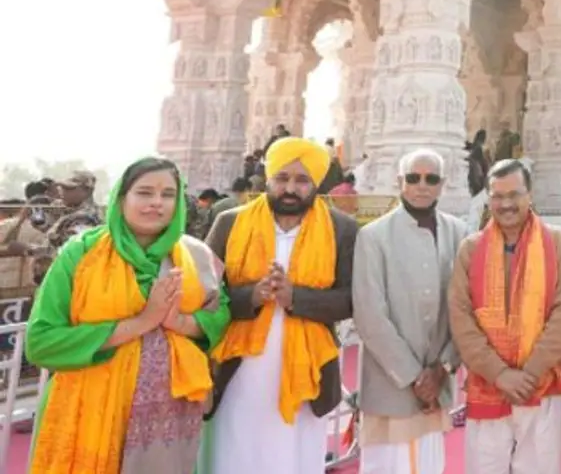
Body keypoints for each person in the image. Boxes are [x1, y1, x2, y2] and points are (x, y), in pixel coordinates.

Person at [26, 156, 230, 473]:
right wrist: (142, 323)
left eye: (167, 194)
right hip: (89, 412)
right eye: (144, 193)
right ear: (122, 198)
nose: (156, 203)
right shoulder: (81, 254)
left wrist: (179, 323)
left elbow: (219, 319)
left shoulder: (196, 256)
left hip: (168, 422)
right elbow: (42, 342)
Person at [203, 137, 359, 474]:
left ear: (316, 183)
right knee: (236, 454)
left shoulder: (341, 229)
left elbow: (352, 300)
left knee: (294, 458)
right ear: (269, 179)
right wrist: (251, 296)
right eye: (282, 178)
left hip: (307, 373)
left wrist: (296, 299)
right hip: (238, 371)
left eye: (302, 181)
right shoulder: (230, 223)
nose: (290, 188)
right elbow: (204, 294)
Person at [448, 159, 561, 474]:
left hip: (542, 382)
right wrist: (500, 373)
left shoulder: (559, 243)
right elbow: (461, 317)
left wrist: (530, 372)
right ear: (488, 199)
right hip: (487, 383)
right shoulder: (471, 248)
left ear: (530, 195)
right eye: (497, 196)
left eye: (514, 195)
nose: (506, 204)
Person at [354, 148, 470, 474]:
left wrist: (443, 367)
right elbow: (369, 315)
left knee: (430, 464)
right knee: (387, 465)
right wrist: (413, 377)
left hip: (438, 378)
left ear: (442, 184)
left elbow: (465, 308)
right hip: (390, 382)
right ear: (399, 182)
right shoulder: (373, 236)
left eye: (431, 178)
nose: (422, 185)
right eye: (413, 178)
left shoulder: (459, 233)